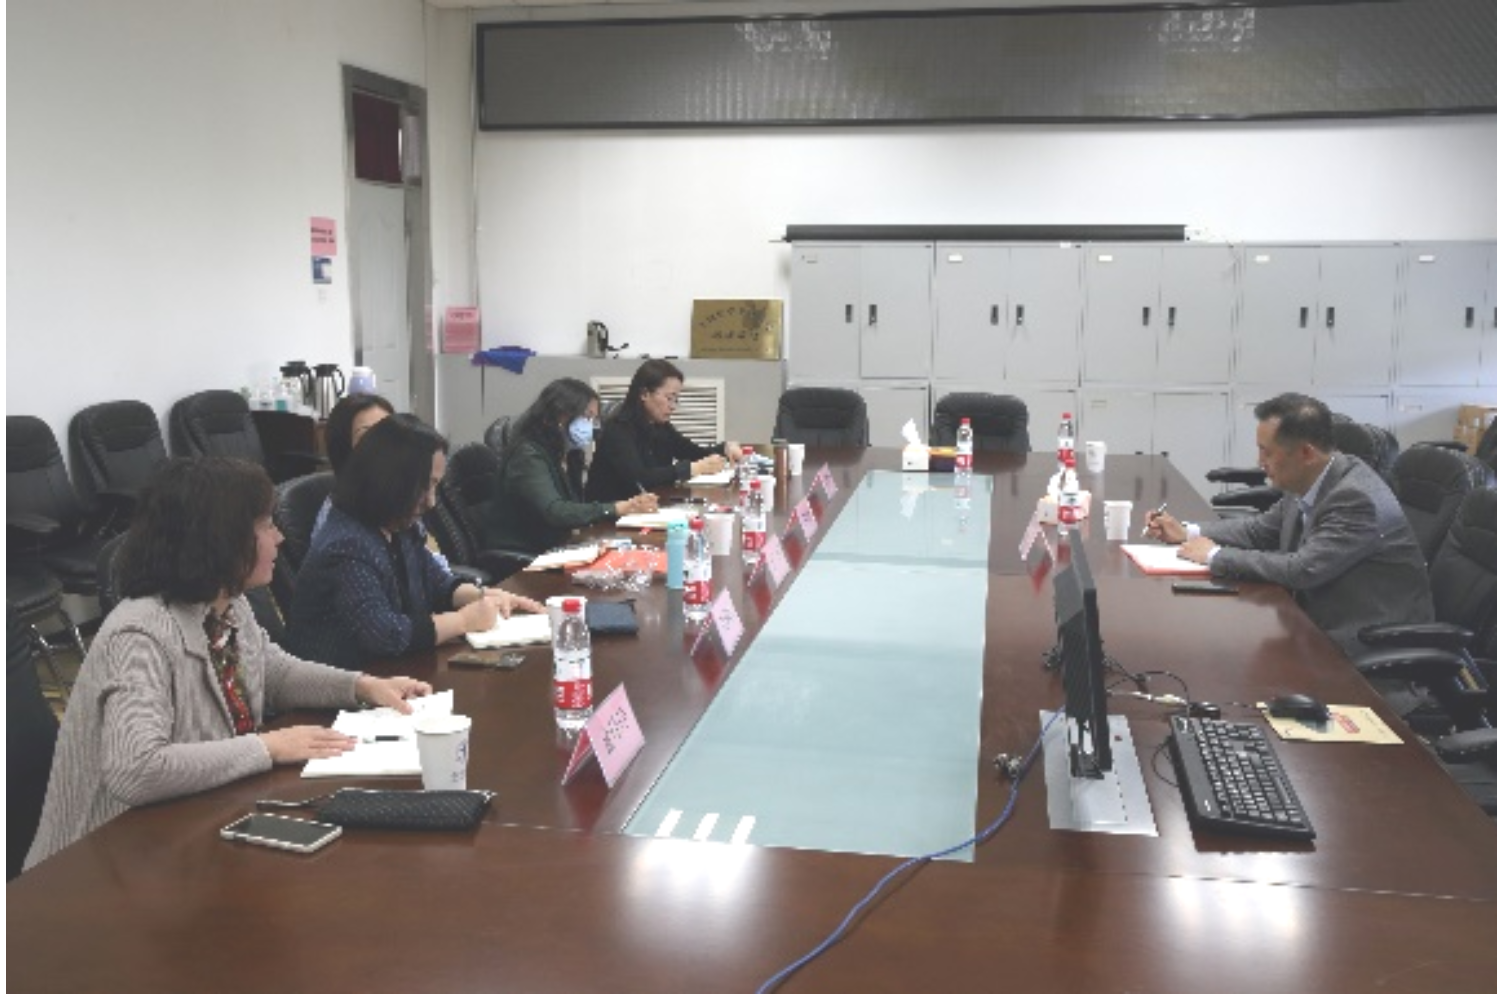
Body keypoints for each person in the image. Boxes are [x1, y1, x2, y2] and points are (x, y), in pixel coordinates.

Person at [23, 457, 432, 870]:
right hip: (98, 866)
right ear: (221, 539)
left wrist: (361, 686)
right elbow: (136, 769)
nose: (279, 537)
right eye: (266, 525)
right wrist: (267, 747)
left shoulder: (226, 602)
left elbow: (274, 672)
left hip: (190, 830)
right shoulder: (139, 634)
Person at [1144, 392, 1433, 658]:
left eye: (1267, 452)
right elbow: (1261, 530)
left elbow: (1303, 569)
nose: (1260, 462)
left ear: (1306, 453)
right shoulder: (1310, 477)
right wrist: (1187, 532)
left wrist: (1214, 555)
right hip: (1309, 619)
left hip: (1361, 642)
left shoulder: (1356, 498)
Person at [286, 417, 541, 669]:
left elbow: (435, 583)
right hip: (342, 684)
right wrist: (463, 621)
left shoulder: (398, 525)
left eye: (435, 486)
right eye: (424, 487)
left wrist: (483, 596)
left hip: (394, 671)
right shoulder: (346, 544)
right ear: (389, 481)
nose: (431, 501)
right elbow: (384, 634)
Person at [488, 377, 658, 555]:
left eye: (593, 419)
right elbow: (555, 512)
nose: (590, 426)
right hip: (525, 553)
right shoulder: (527, 455)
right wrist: (617, 508)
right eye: (586, 417)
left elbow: (573, 507)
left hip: (558, 544)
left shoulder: (570, 454)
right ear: (559, 414)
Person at [585, 358, 744, 502]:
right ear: (644, 394)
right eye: (669, 398)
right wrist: (691, 469)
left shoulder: (660, 426)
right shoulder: (618, 429)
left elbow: (693, 452)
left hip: (648, 506)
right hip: (611, 516)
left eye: (676, 399)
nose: (673, 406)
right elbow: (641, 478)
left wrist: (725, 448)